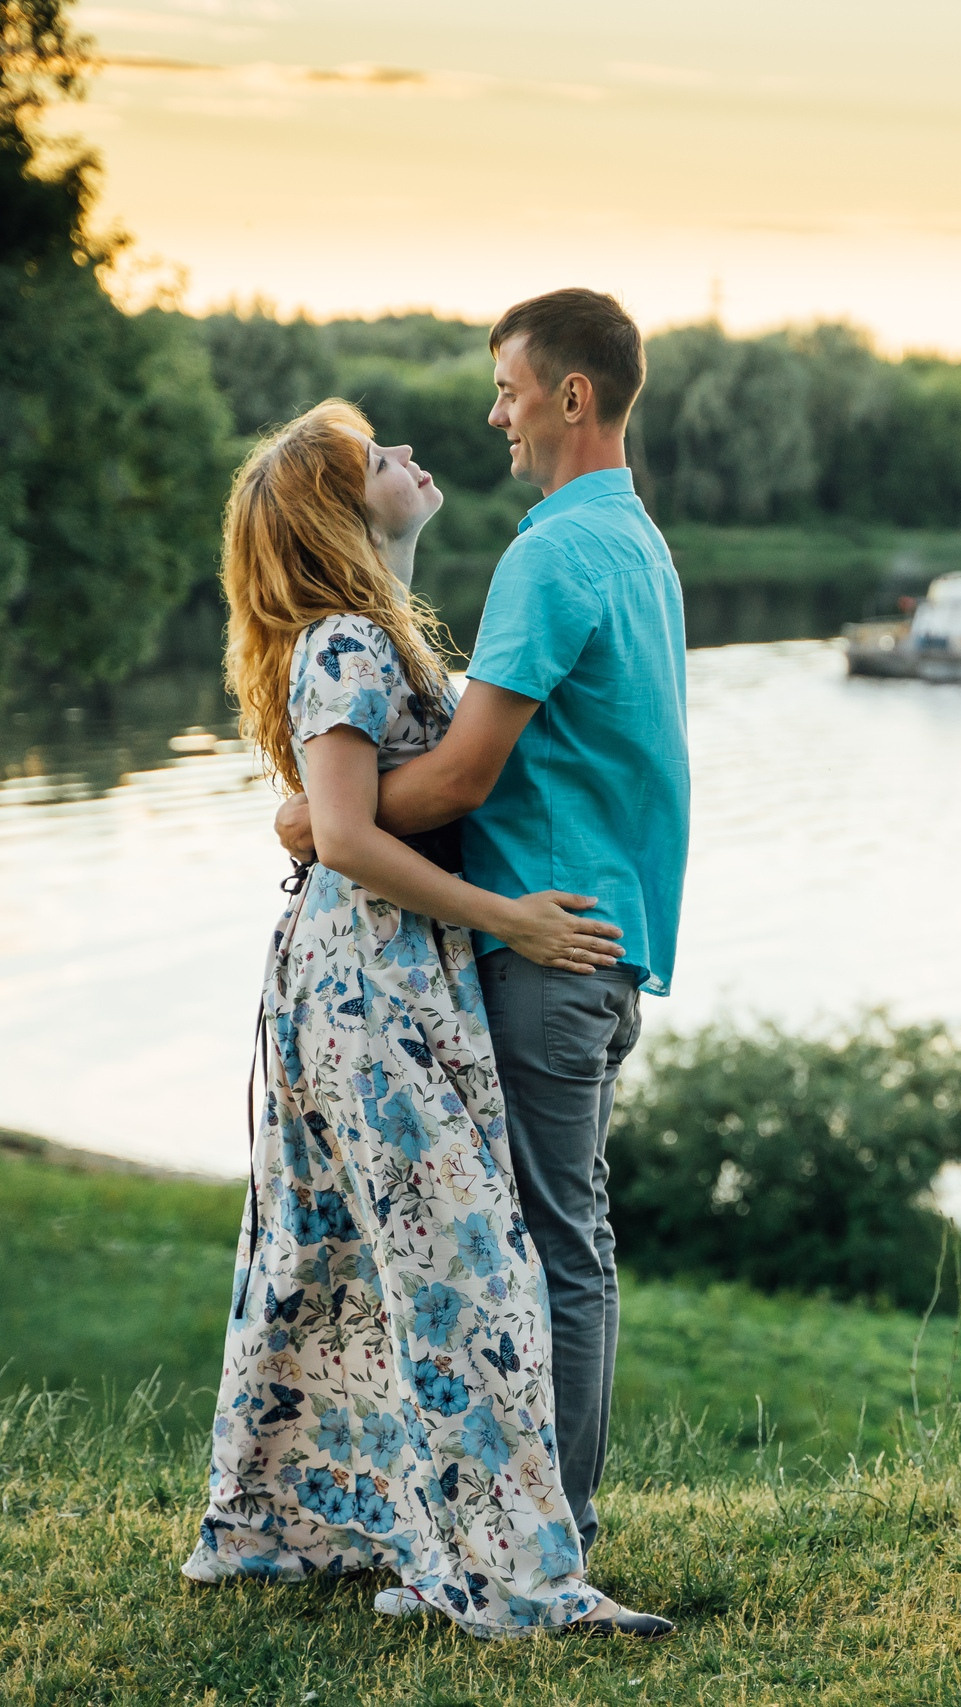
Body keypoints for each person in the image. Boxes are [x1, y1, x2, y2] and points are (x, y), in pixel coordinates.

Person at [184, 397, 670, 1639]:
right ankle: (508, 1575)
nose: (411, 456)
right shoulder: (344, 641)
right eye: (378, 459)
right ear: (343, 510)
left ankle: (361, 1530)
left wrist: (317, 818)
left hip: (395, 976)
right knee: (462, 1272)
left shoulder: (377, 636)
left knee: (358, 1260)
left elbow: (339, 815)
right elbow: (345, 834)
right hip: (367, 983)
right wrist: (507, 919)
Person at [275, 287, 689, 1572]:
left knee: (549, 1249)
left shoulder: (550, 554)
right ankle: (503, 1530)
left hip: (546, 946)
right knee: (550, 1241)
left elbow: (458, 779)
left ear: (571, 397)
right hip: (592, 938)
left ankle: (540, 1544)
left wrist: (317, 819)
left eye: (508, 389)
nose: (492, 414)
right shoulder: (632, 540)